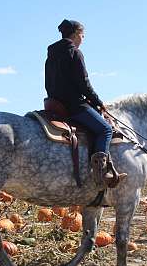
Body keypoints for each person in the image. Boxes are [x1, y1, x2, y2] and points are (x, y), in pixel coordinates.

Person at [45, 19, 126, 188]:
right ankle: (101, 173)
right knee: (105, 129)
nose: (83, 39)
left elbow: (48, 83)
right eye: (82, 35)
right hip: (73, 105)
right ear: (75, 34)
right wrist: (98, 102)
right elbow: (84, 83)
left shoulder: (51, 54)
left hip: (54, 103)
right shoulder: (75, 52)